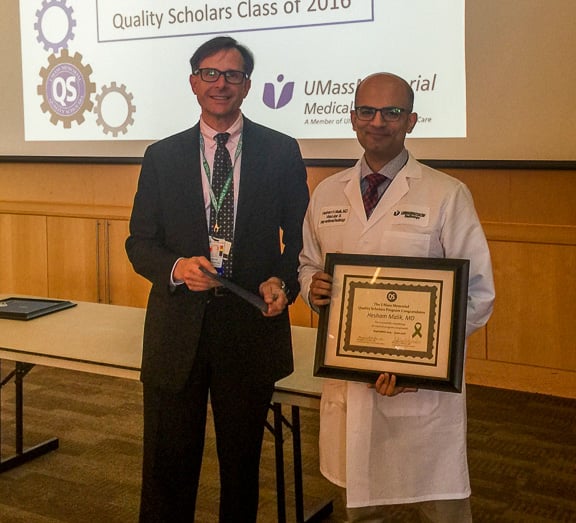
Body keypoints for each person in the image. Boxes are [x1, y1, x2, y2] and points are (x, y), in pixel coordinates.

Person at [126, 36, 309, 522]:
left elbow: (301, 238)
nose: (220, 84)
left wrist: (283, 282)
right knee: (167, 468)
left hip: (248, 330)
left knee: (241, 469)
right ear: (193, 82)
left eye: (232, 75)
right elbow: (139, 243)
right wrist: (176, 268)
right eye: (210, 73)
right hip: (176, 334)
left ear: (247, 85)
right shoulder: (161, 156)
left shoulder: (280, 151)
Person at [298, 73, 495, 522]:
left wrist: (422, 367)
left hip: (421, 394)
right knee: (363, 510)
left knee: (444, 509)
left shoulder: (446, 194)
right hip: (352, 384)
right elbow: (308, 263)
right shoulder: (327, 193)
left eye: (392, 112)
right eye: (367, 111)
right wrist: (312, 286)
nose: (378, 122)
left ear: (411, 120)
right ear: (352, 118)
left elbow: (478, 293)